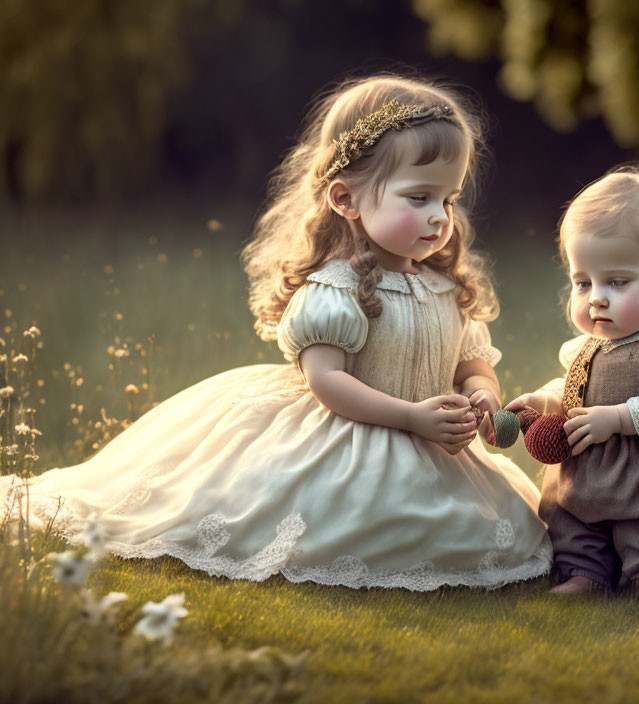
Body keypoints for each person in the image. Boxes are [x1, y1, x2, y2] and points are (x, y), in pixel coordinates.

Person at [3, 75, 551, 590]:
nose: (439, 216)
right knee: (334, 520)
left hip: (432, 438)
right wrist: (410, 417)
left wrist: (482, 393)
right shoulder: (336, 288)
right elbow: (327, 381)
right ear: (346, 199)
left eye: (448, 200)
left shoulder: (445, 289)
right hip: (351, 433)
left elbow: (471, 361)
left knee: (480, 524)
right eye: (419, 197)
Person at [506, 166, 639, 615]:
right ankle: (586, 571)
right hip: (589, 470)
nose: (596, 298)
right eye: (582, 282)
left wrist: (619, 418)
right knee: (573, 518)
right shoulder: (589, 344)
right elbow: (576, 390)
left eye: (617, 282)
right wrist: (543, 401)